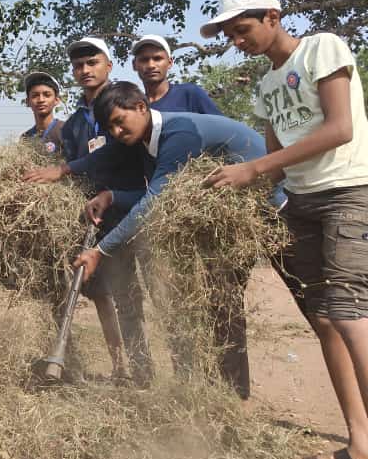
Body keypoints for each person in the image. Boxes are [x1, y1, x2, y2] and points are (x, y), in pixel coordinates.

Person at [198, 0, 368, 459]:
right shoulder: (266, 84)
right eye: (228, 34)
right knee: (321, 319)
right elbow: (274, 152)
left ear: (273, 16)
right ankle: (360, 445)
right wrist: (239, 194)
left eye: (242, 29)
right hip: (301, 201)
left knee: (350, 314)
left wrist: (254, 169)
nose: (236, 40)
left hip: (347, 191)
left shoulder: (323, 48)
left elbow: (339, 129)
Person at [70, 81, 284, 399]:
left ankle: (233, 397)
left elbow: (155, 202)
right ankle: (213, 391)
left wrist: (100, 249)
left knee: (224, 302)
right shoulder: (146, 142)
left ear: (141, 107)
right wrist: (111, 194)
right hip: (228, 212)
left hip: (270, 207)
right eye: (109, 127)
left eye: (119, 121)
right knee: (213, 302)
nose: (116, 132)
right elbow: (163, 193)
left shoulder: (176, 134)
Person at [23, 37, 152, 385]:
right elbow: (76, 166)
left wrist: (67, 172)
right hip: (91, 219)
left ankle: (144, 372)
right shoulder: (76, 122)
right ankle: (121, 367)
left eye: (92, 63)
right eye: (78, 66)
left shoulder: (124, 105)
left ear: (108, 66)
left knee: (133, 297)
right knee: (101, 296)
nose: (85, 70)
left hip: (128, 210)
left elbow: (115, 157)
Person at [131, 35, 222, 114]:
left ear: (170, 63)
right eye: (144, 60)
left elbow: (224, 130)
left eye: (157, 58)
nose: (151, 65)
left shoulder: (189, 94)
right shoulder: (134, 108)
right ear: (134, 65)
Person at [20, 71, 65, 154]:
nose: (41, 100)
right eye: (35, 96)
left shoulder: (66, 130)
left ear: (56, 100)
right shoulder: (25, 138)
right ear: (27, 102)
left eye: (47, 95)